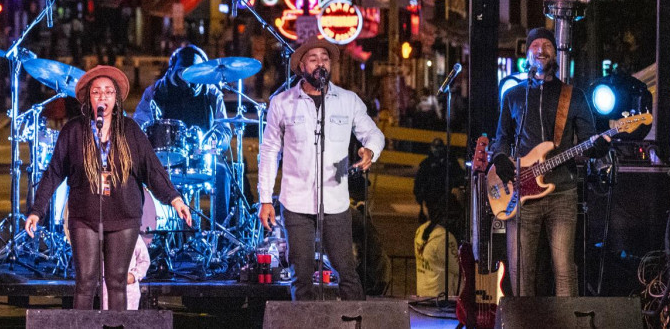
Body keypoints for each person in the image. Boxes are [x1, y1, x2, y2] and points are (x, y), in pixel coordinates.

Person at [25, 65, 193, 310]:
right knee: (85, 282)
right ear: (88, 98)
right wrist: (36, 210)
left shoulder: (131, 131)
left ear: (116, 98)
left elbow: (152, 169)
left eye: (108, 91)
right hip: (84, 217)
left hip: (124, 216)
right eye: (96, 91)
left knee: (116, 282)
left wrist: (175, 199)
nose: (102, 96)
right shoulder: (73, 131)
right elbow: (53, 172)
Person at [257, 38, 385, 301]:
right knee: (301, 274)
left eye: (324, 59)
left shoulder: (347, 101)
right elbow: (269, 151)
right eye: (313, 59)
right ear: (301, 65)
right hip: (295, 202)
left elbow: (373, 133)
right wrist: (265, 199)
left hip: (335, 202)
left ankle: (356, 321)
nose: (320, 64)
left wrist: (370, 149)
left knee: (346, 271)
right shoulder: (282, 103)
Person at [490, 27, 608, 297]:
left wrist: (598, 147)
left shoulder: (573, 96)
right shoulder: (514, 95)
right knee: (520, 272)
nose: (541, 49)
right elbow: (502, 138)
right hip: (520, 194)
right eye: (535, 45)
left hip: (562, 194)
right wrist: (499, 158)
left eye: (547, 45)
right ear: (527, 53)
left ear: (555, 53)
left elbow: (589, 140)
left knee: (564, 270)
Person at [132, 45, 233, 225]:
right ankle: (156, 234)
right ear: (173, 69)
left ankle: (219, 237)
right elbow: (138, 125)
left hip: (202, 159)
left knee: (223, 173)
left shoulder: (211, 93)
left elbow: (225, 131)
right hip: (165, 162)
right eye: (184, 72)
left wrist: (215, 141)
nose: (190, 79)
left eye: (197, 72)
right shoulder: (156, 91)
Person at [414, 196, 460, 298]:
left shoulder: (421, 230)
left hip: (423, 294)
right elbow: (459, 269)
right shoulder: (445, 238)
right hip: (441, 299)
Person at [101, 236, 150, 310]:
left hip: (129, 289)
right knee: (109, 319)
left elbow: (144, 260)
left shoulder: (134, 235)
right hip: (107, 288)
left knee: (128, 320)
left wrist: (134, 275)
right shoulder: (103, 235)